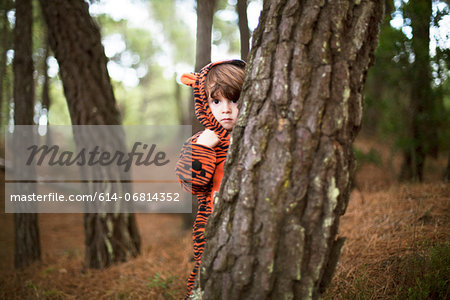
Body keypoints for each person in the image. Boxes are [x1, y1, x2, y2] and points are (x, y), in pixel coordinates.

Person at [176, 59, 246, 298]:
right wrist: (204, 148)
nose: (225, 109)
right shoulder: (201, 141)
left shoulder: (257, 137)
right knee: (210, 275)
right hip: (213, 227)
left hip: (251, 223)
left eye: (234, 100)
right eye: (216, 101)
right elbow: (191, 184)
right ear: (204, 103)